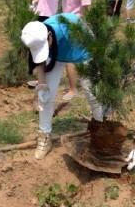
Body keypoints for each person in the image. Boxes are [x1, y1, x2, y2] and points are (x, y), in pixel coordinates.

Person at [22, 13, 106, 160]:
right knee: (46, 97)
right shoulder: (35, 34)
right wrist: (41, 85)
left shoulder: (70, 28)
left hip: (82, 49)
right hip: (56, 54)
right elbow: (40, 61)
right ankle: (44, 136)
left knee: (92, 93)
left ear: (49, 36)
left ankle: (100, 127)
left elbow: (92, 52)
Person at [60, 0, 91, 101]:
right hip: (70, 22)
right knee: (71, 56)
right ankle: (74, 87)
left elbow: (86, 5)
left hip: (74, 23)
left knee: (71, 56)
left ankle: (74, 88)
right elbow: (84, 6)